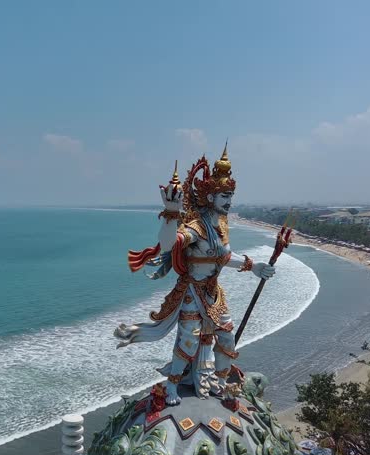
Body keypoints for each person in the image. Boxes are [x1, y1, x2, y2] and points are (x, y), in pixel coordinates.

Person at [116, 144, 275, 404]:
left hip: (214, 294)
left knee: (226, 341)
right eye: (224, 195)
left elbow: (224, 257)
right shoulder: (197, 227)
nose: (229, 201)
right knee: (188, 341)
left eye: (230, 195)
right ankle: (172, 387)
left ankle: (220, 383)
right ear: (210, 197)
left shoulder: (221, 224)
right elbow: (170, 245)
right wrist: (170, 213)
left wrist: (253, 266)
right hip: (192, 292)